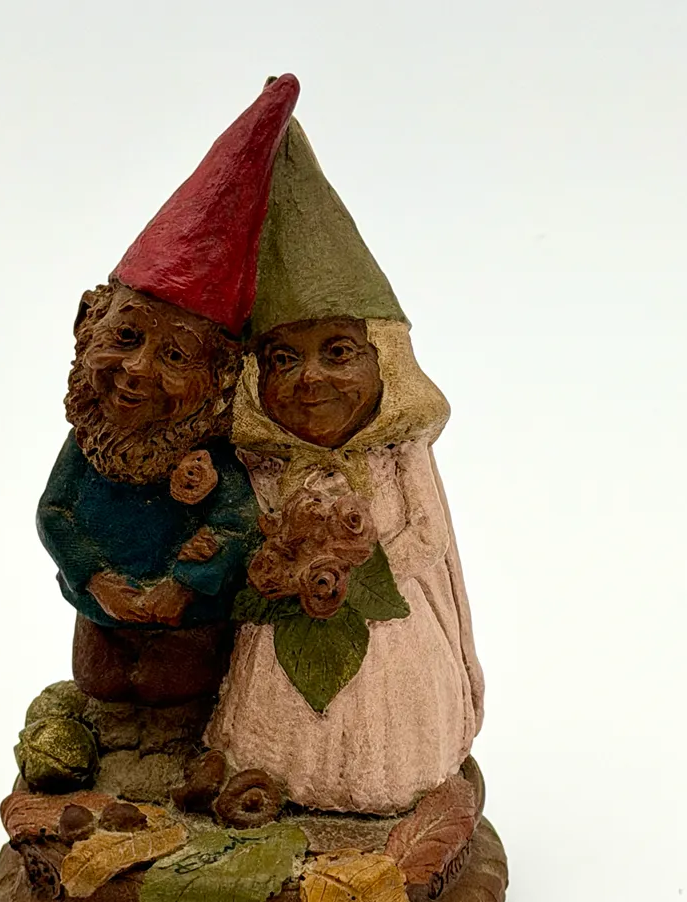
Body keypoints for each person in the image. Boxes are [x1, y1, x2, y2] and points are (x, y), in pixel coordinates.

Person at [205, 118, 484, 814]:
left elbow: (428, 536)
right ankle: (274, 777)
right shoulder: (262, 463)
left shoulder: (398, 454)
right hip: (281, 633)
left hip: (395, 637)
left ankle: (387, 786)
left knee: (388, 738)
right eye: (283, 359)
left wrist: (359, 569)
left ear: (383, 361)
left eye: (338, 352)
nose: (311, 379)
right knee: (273, 732)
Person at [37, 76, 299, 706]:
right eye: (125, 337)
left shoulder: (210, 459)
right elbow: (55, 513)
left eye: (175, 356)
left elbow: (235, 523)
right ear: (87, 323)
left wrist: (184, 583)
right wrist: (95, 580)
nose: (137, 370)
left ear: (220, 377)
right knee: (99, 681)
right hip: (101, 610)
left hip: (189, 619)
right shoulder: (90, 444)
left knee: (175, 686)